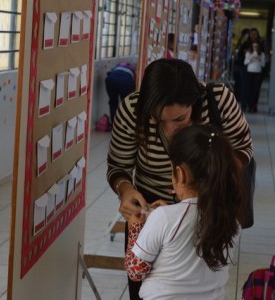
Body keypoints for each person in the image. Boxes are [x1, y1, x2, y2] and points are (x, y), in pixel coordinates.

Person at [107, 58, 253, 299]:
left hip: (210, 205)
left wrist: (207, 188)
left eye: (179, 119)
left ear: (195, 102)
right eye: (158, 120)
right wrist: (125, 189)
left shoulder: (219, 100)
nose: (170, 129)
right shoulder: (132, 109)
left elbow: (242, 149)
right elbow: (118, 166)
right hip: (149, 209)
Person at [124, 124, 246, 300]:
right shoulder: (231, 221)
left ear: (179, 174)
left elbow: (135, 270)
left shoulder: (163, 217)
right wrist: (168, 214)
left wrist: (135, 228)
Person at [244, 42, 266, 112]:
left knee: (256, 90)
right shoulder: (248, 53)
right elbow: (245, 62)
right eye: (254, 46)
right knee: (249, 89)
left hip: (258, 72)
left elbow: (263, 64)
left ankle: (254, 105)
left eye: (256, 46)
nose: (255, 48)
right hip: (250, 71)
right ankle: (249, 105)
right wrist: (251, 58)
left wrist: (259, 59)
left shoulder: (262, 54)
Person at [233, 28, 250, 103]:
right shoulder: (241, 42)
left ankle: (240, 97)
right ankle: (238, 96)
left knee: (242, 82)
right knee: (238, 81)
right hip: (238, 63)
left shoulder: (246, 43)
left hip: (242, 64)